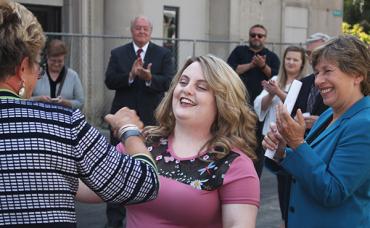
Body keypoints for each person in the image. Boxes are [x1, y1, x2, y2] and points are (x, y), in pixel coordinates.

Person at [0, 1, 159, 227]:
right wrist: (129, 130)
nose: (38, 76)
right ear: (22, 67)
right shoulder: (63, 124)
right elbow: (144, 183)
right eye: (37, 66)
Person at [78, 55, 261, 227]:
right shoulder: (145, 143)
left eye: (202, 87)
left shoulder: (233, 164)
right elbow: (91, 187)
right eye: (183, 82)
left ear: (222, 101)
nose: (186, 89)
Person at [262, 35, 370, 228]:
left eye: (327, 71)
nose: (318, 80)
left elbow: (333, 191)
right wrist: (281, 152)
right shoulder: (330, 113)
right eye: (317, 72)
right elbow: (311, 166)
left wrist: (297, 143)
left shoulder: (364, 124)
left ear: (357, 75)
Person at [104, 15, 175, 227]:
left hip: (152, 122)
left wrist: (149, 78)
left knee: (154, 168)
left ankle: (149, 218)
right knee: (116, 169)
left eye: (145, 28)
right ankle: (114, 221)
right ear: (132, 30)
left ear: (151, 31)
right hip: (122, 122)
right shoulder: (118, 53)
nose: (141, 31)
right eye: (138, 28)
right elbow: (109, 80)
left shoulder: (163, 54)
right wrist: (131, 75)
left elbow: (169, 82)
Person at [253, 46, 306, 228]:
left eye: (295, 60)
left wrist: (277, 92)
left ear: (302, 64)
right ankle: (285, 219)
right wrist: (269, 92)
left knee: (288, 180)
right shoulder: (276, 79)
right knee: (279, 180)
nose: (291, 62)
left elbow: (297, 107)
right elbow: (261, 105)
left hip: (289, 140)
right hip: (271, 136)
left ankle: (288, 220)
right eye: (288, 59)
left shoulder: (304, 83)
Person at [227, 24, 280, 177]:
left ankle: (253, 178)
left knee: (257, 147)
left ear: (265, 38)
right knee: (236, 142)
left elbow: (276, 77)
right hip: (238, 106)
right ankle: (234, 175)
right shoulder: (239, 51)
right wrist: (251, 64)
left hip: (261, 111)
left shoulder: (271, 57)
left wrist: (263, 66)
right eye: (253, 35)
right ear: (249, 36)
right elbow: (230, 70)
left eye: (260, 35)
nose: (256, 38)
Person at [32, 39, 85, 110]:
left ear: (64, 58)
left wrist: (65, 102)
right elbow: (24, 100)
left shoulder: (73, 76)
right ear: (47, 57)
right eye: (53, 61)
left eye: (60, 61)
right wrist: (38, 99)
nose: (56, 64)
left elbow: (80, 103)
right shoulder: (36, 74)